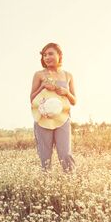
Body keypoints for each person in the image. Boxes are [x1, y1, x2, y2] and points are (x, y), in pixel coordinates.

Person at [30, 43, 77, 171]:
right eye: (44, 55)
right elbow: (32, 99)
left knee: (65, 153)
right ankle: (46, 183)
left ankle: (70, 183)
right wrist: (42, 86)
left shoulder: (68, 76)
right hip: (43, 118)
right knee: (45, 156)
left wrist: (66, 93)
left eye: (50, 54)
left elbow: (74, 101)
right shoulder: (39, 74)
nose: (47, 57)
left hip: (63, 118)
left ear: (59, 55)